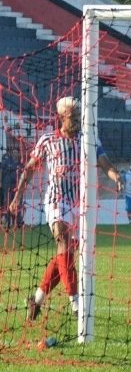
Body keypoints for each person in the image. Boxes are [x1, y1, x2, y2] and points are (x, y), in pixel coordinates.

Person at [11, 96, 123, 321]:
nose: (77, 119)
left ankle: (37, 300)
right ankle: (76, 304)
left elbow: (105, 163)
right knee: (63, 242)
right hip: (55, 200)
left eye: (79, 115)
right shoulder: (48, 140)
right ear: (61, 117)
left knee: (65, 255)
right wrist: (17, 196)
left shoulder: (89, 139)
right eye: (73, 115)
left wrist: (116, 176)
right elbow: (30, 169)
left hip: (78, 204)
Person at [0, 151, 23, 229]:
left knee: (17, 203)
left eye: (17, 153)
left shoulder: (19, 164)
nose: (16, 154)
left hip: (17, 186)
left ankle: (18, 222)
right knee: (7, 203)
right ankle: (7, 222)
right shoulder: (6, 162)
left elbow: (23, 174)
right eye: (14, 153)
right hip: (7, 186)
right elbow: (1, 172)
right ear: (12, 154)